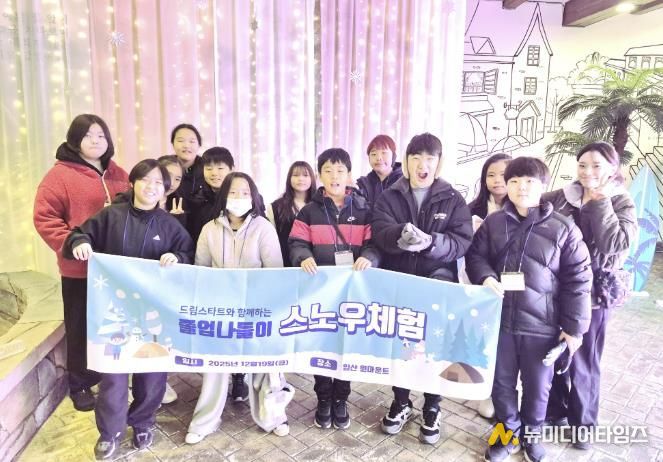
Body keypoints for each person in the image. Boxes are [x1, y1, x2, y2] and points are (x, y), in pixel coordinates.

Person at [63, 159, 194, 460]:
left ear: (165, 189)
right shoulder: (111, 216)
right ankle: (110, 432)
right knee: (113, 376)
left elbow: (188, 254)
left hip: (154, 316)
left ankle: (143, 422)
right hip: (115, 314)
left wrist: (177, 257)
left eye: (158, 182)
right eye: (145, 180)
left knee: (152, 375)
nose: (151, 187)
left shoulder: (170, 225)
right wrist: (80, 242)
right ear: (133, 183)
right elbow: (77, 236)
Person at [464, 156, 593, 462]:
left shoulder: (563, 229)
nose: (521, 187)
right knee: (502, 385)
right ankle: (507, 434)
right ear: (506, 186)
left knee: (538, 389)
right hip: (500, 323)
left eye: (529, 181)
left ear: (543, 185)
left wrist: (573, 329)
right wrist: (485, 276)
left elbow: (578, 279)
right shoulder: (494, 223)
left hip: (542, 326)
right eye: (514, 181)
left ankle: (532, 436)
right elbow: (475, 257)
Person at [372, 132, 473, 444]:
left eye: (429, 158)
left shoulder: (452, 199)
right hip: (400, 285)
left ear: (439, 163)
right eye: (416, 158)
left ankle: (432, 406)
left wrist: (431, 243)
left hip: (437, 287)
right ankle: (401, 401)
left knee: (433, 349)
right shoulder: (390, 195)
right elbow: (378, 231)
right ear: (406, 161)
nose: (422, 164)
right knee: (402, 348)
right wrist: (398, 236)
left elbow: (461, 241)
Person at [543, 142, 637, 450]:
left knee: (584, 361)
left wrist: (600, 202)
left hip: (594, 295)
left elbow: (614, 245)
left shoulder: (622, 202)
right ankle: (554, 411)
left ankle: (583, 424)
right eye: (582, 164)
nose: (588, 172)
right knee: (553, 353)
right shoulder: (561, 196)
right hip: (556, 290)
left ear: (612, 168)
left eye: (597, 165)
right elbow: (531, 207)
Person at [33, 114, 130, 412]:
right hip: (80, 270)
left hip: (116, 270)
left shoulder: (119, 173)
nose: (96, 141)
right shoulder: (59, 176)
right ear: (75, 140)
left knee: (112, 324)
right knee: (80, 327)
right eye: (88, 135)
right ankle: (80, 383)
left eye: (101, 135)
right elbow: (45, 218)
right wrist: (72, 243)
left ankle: (110, 375)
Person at [186, 172, 288, 444]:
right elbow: (200, 270)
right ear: (223, 196)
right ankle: (205, 421)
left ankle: (273, 416)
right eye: (233, 192)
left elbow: (274, 272)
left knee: (265, 364)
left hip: (256, 310)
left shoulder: (263, 228)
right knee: (215, 366)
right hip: (220, 311)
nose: (239, 197)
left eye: (245, 192)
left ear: (253, 197)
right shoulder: (209, 229)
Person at [288, 148, 380, 430]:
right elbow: (296, 243)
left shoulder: (363, 210)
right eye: (327, 170)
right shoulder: (309, 211)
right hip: (321, 292)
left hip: (352, 293)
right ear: (320, 175)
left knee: (346, 346)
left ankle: (341, 399)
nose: (334, 176)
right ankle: (323, 398)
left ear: (349, 175)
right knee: (322, 344)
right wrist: (303, 257)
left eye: (340, 170)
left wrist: (370, 257)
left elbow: (374, 244)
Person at [465, 153, 511, 419]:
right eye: (490, 175)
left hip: (512, 286)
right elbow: (466, 249)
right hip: (481, 283)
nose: (497, 180)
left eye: (503, 175)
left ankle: (500, 393)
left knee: (506, 343)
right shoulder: (472, 209)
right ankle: (485, 391)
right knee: (484, 339)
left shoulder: (525, 209)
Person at [266, 161, 317, 266]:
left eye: (305, 175)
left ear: (312, 178)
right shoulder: (275, 207)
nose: (300, 179)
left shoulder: (321, 205)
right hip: (285, 264)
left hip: (315, 264)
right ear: (289, 178)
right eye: (296, 175)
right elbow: (270, 241)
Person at [188, 147, 234, 243]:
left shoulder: (245, 198)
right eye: (209, 168)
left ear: (232, 169)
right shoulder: (196, 199)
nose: (214, 173)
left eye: (220, 168)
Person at [356, 134, 403, 208]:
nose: (378, 158)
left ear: (393, 156)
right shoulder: (363, 184)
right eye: (374, 154)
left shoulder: (404, 181)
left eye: (384, 153)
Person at [171, 123, 204, 210]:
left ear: (199, 145)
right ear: (173, 144)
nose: (186, 145)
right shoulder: (164, 166)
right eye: (180, 141)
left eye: (192, 141)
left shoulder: (207, 168)